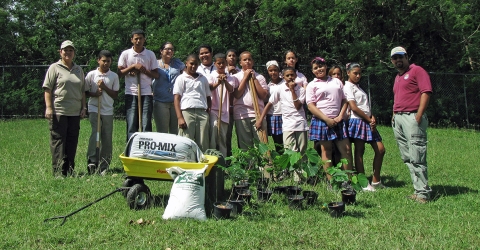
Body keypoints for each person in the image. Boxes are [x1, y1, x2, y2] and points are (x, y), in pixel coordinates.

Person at [390, 46, 432, 203]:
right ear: (392, 61)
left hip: (412, 117)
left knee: (417, 155)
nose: (398, 60)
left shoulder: (417, 71)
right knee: (407, 157)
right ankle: (417, 189)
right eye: (395, 58)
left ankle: (423, 193)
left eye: (401, 56)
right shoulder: (398, 77)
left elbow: (426, 92)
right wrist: (394, 114)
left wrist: (419, 115)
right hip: (399, 118)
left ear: (407, 56)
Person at [42, 40, 86, 177]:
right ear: (60, 52)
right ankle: (58, 172)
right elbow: (47, 89)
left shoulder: (79, 69)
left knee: (72, 141)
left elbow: (83, 91)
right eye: (65, 50)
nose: (68, 52)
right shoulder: (54, 68)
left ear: (74, 53)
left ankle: (69, 170)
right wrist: (49, 108)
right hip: (59, 111)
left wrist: (84, 107)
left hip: (74, 112)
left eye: (70, 50)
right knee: (59, 141)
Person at [306, 57, 352, 181]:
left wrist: (340, 116)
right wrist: (326, 119)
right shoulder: (312, 85)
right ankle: (331, 182)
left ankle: (348, 180)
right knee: (326, 151)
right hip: (322, 121)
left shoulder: (337, 82)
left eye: (321, 66)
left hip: (339, 120)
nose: (319, 69)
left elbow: (344, 100)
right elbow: (311, 105)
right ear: (312, 71)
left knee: (346, 150)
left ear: (326, 67)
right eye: (315, 68)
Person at [344, 63, 386, 191]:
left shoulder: (358, 87)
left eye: (359, 73)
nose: (358, 75)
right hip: (358, 121)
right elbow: (354, 107)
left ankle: (376, 180)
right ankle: (363, 182)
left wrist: (372, 117)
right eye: (355, 73)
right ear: (348, 73)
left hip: (367, 121)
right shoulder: (348, 87)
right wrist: (368, 119)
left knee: (380, 149)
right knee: (359, 151)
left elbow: (365, 106)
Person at [118, 29, 159, 141]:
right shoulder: (126, 54)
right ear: (132, 40)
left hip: (146, 92)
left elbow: (156, 74)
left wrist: (143, 70)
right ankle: (131, 148)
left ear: (144, 39)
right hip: (131, 92)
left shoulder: (150, 54)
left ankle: (146, 148)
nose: (138, 41)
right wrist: (132, 67)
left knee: (146, 122)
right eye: (136, 38)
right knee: (132, 122)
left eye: (140, 38)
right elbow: (120, 73)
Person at [256, 67, 308, 154]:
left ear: (296, 76)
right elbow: (269, 104)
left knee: (302, 151)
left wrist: (292, 90)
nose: (290, 77)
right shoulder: (279, 89)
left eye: (292, 75)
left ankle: (302, 167)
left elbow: (298, 106)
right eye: (287, 75)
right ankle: (293, 168)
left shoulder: (301, 90)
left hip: (300, 124)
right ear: (283, 77)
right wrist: (260, 119)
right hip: (288, 125)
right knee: (290, 151)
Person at [85, 50, 120, 174]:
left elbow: (115, 94)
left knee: (106, 137)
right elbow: (85, 91)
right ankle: (92, 161)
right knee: (96, 133)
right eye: (103, 61)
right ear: (98, 60)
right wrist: (95, 94)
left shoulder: (114, 76)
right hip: (94, 108)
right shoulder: (91, 75)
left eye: (108, 61)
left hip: (107, 110)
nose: (106, 63)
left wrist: (104, 87)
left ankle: (104, 165)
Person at [173, 54, 212, 152]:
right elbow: (176, 98)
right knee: (186, 141)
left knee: (203, 142)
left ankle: (203, 164)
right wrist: (179, 117)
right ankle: (185, 164)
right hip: (187, 112)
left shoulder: (203, 79)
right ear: (186, 63)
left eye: (196, 64)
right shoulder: (181, 78)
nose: (193, 66)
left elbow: (208, 97)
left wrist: (208, 111)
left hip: (202, 112)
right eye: (191, 63)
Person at [232, 51, 269, 150]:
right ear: (240, 63)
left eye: (249, 59)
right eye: (244, 60)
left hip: (258, 114)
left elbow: (263, 96)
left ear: (253, 62)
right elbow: (237, 94)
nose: (247, 62)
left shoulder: (260, 77)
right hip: (241, 114)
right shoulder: (236, 77)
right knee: (246, 146)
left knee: (262, 145)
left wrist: (254, 79)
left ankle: (264, 165)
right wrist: (245, 78)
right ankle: (249, 166)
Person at [153, 42, 185, 134]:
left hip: (175, 102)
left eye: (172, 49)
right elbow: (147, 76)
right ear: (161, 51)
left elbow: (186, 75)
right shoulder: (155, 63)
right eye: (167, 49)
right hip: (160, 101)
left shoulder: (177, 63)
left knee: (175, 132)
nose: (170, 51)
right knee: (162, 131)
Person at [208, 53, 235, 156]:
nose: (221, 65)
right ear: (215, 64)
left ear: (226, 63)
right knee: (213, 134)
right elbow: (210, 88)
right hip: (214, 110)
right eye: (218, 63)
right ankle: (212, 159)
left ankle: (222, 161)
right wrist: (218, 82)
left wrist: (225, 81)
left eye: (223, 63)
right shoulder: (211, 76)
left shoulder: (230, 77)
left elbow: (231, 89)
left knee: (222, 137)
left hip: (225, 111)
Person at [264, 60, 284, 153]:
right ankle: (281, 163)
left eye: (275, 70)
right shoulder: (268, 86)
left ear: (279, 70)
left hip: (284, 114)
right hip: (273, 115)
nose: (273, 72)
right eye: (270, 70)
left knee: (286, 141)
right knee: (277, 142)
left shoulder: (284, 83)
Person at [225, 49, 240, 157]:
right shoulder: (222, 71)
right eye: (229, 55)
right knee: (227, 136)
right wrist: (228, 73)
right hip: (227, 108)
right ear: (226, 58)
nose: (232, 57)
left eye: (234, 55)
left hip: (239, 108)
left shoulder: (241, 72)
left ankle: (243, 160)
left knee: (241, 136)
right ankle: (228, 161)